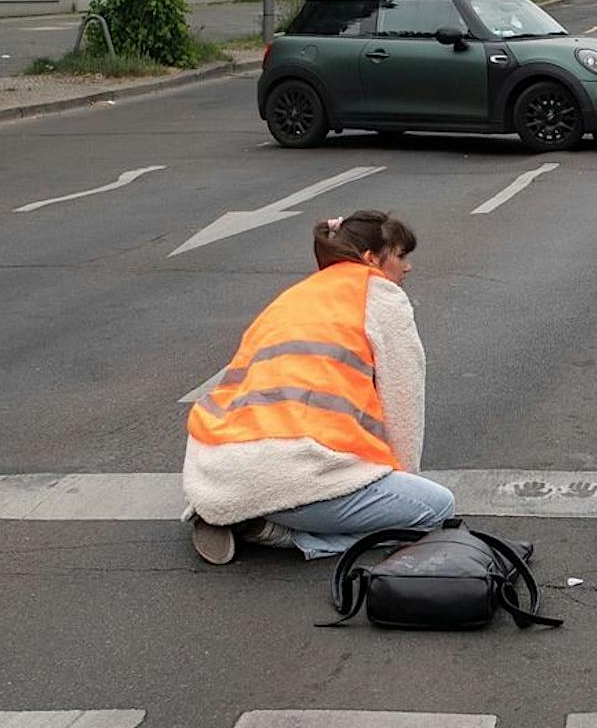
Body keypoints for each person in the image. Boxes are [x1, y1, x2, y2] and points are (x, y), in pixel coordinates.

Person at [183, 209, 455, 564]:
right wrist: (401, 484)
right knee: (435, 510)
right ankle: (280, 535)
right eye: (401, 256)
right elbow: (404, 401)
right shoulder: (380, 298)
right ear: (371, 258)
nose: (408, 267)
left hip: (217, 471)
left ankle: (231, 513)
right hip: (295, 480)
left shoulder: (294, 296)